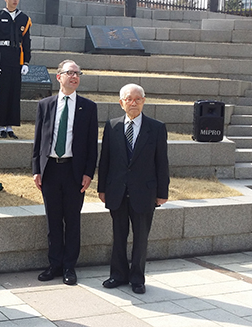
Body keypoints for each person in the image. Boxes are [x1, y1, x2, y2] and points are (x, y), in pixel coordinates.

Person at [98, 83, 170, 295]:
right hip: (117, 192)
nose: (134, 103)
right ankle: (117, 275)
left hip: (144, 193)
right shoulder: (112, 126)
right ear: (121, 103)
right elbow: (105, 161)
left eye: (138, 99)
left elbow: (162, 163)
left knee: (141, 238)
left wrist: (162, 193)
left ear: (144, 102)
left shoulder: (156, 128)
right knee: (118, 236)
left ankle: (137, 278)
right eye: (129, 99)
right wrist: (102, 188)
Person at [32, 60, 98, 286]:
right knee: (53, 220)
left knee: (72, 220)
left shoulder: (88, 107)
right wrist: (36, 170)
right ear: (58, 76)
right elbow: (38, 140)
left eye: (78, 73)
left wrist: (89, 172)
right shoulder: (45, 105)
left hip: (74, 171)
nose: (74, 76)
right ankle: (54, 264)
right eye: (70, 73)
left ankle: (70, 266)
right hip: (50, 169)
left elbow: (91, 144)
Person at [0, 0, 32, 139]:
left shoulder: (24, 18)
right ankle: (0, 126)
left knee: (14, 91)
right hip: (2, 55)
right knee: (3, 91)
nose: (15, 0)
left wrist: (26, 62)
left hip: (16, 57)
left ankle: (10, 126)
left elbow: (26, 41)